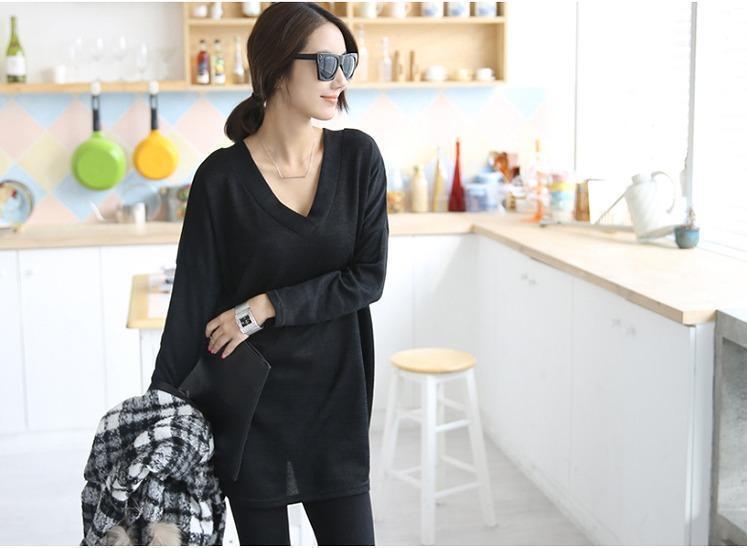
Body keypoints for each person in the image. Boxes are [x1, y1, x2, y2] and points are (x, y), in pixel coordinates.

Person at [147, 2, 389, 545]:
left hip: (336, 400)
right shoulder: (220, 179)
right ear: (278, 69)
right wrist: (158, 411)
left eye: (347, 63)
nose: (340, 79)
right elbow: (191, 302)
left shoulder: (359, 159)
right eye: (325, 64)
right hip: (249, 407)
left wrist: (266, 306)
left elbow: (368, 278)